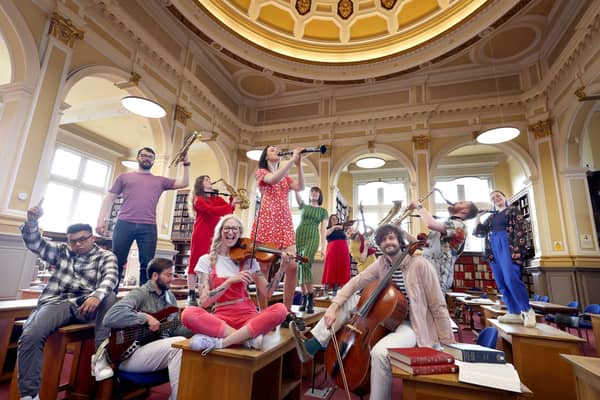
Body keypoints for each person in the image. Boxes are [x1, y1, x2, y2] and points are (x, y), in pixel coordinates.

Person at [290, 224, 455, 400]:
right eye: (383, 240)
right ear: (379, 245)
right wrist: (333, 306)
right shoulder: (382, 263)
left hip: (411, 324)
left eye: (391, 238)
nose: (387, 242)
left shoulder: (420, 265)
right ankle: (312, 346)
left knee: (379, 353)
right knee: (346, 302)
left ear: (400, 240)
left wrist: (447, 344)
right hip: (385, 319)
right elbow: (356, 281)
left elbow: (438, 305)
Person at [18, 203, 118, 400]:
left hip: (86, 305)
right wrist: (32, 221)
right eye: (73, 241)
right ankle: (29, 396)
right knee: (31, 334)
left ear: (93, 238)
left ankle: (100, 357)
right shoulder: (62, 251)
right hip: (59, 302)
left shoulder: (106, 256)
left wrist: (96, 295)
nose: (78, 244)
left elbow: (110, 278)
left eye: (83, 239)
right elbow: (35, 244)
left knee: (110, 296)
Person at [181, 215, 288, 353]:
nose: (230, 232)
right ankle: (247, 338)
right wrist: (229, 281)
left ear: (239, 234)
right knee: (188, 314)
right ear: (220, 232)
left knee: (281, 309)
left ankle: (221, 342)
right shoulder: (206, 260)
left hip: (248, 315)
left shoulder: (248, 260)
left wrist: (282, 268)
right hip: (222, 318)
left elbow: (267, 292)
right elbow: (204, 301)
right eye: (227, 228)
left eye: (235, 229)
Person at [96, 147, 190, 287]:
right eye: (143, 155)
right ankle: (110, 294)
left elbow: (184, 183)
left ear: (153, 161)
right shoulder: (124, 177)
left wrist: (186, 164)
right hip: (124, 224)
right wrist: (100, 220)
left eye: (150, 157)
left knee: (147, 265)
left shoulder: (160, 181)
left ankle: (144, 297)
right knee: (117, 262)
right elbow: (110, 197)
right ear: (138, 158)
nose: (146, 158)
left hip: (148, 226)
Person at [103, 258, 192, 400]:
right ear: (155, 276)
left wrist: (195, 328)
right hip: (128, 354)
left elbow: (174, 329)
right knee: (178, 345)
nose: (172, 279)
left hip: (152, 350)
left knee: (191, 343)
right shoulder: (140, 293)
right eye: (168, 275)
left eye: (173, 275)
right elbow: (110, 317)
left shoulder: (170, 297)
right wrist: (145, 317)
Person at [251, 145, 304, 325]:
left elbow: (301, 187)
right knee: (264, 268)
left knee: (293, 266)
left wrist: (299, 164)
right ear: (266, 155)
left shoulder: (286, 175)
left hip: (285, 221)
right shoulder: (261, 172)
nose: (276, 150)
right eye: (272, 149)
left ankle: (286, 311)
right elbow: (273, 179)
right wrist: (291, 160)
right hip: (267, 220)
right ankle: (263, 311)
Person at [474, 190, 535, 327]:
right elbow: (479, 232)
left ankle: (527, 311)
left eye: (498, 196)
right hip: (493, 248)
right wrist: (478, 217)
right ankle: (514, 312)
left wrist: (517, 249)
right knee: (501, 282)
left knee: (511, 279)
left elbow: (520, 230)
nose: (496, 199)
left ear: (505, 197)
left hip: (508, 245)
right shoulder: (492, 217)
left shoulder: (513, 210)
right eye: (493, 198)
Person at [405, 199, 478, 293]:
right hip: (427, 274)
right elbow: (423, 246)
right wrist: (400, 231)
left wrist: (418, 205)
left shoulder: (459, 225)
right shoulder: (446, 226)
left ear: (465, 211)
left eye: (460, 203)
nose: (455, 202)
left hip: (437, 277)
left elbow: (430, 224)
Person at [186, 175, 239, 306]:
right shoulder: (198, 199)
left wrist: (233, 203)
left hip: (215, 235)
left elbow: (227, 212)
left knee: (214, 263)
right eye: (206, 180)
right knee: (195, 262)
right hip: (202, 234)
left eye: (209, 179)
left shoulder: (216, 198)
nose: (209, 181)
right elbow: (211, 211)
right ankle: (191, 294)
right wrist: (229, 206)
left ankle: (211, 294)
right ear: (200, 184)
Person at [294, 187, 328, 314]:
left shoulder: (323, 211)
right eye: (312, 192)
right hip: (299, 236)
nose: (314, 194)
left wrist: (323, 247)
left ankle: (310, 296)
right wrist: (295, 187)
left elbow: (323, 229)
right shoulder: (304, 206)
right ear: (309, 194)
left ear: (320, 195)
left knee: (305, 263)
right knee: (300, 266)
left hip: (313, 237)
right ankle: (304, 298)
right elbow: (297, 195)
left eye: (317, 192)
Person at [321, 214, 351, 295]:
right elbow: (326, 234)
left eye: (336, 219)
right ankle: (326, 290)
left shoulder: (342, 230)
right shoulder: (328, 229)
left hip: (343, 251)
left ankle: (336, 290)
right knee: (331, 269)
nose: (335, 221)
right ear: (330, 221)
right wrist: (335, 227)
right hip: (332, 251)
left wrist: (348, 233)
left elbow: (347, 238)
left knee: (341, 268)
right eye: (333, 219)